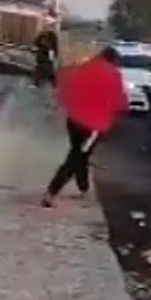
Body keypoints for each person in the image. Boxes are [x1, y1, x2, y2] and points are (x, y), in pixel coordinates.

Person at [41, 47, 127, 207]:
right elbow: (120, 102)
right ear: (114, 60)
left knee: (80, 152)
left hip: (73, 120)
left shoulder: (82, 68)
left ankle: (83, 186)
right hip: (93, 125)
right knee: (77, 157)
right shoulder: (114, 74)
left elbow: (63, 81)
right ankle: (52, 191)